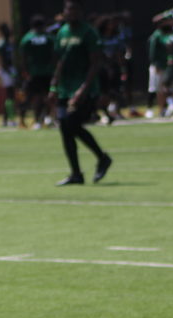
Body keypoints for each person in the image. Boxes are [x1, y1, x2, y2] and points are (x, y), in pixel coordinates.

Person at [50, 0, 111, 187]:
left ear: (81, 11)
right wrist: (53, 86)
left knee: (71, 124)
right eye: (68, 9)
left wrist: (83, 89)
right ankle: (76, 173)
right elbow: (60, 62)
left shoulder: (89, 32)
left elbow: (95, 63)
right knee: (65, 129)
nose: (71, 12)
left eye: (75, 9)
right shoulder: (62, 32)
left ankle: (102, 158)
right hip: (65, 89)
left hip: (85, 89)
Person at [18, 15, 55, 129]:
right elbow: (54, 55)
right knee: (48, 95)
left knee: (34, 97)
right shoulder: (49, 38)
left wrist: (24, 71)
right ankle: (47, 117)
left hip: (33, 73)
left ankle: (37, 120)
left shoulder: (27, 39)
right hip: (48, 72)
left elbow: (23, 58)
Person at [0, 22, 18, 127]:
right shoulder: (1, 44)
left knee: (12, 95)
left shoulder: (10, 42)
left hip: (11, 69)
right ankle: (7, 119)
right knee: (9, 94)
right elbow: (2, 61)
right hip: (6, 71)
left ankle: (8, 118)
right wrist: (10, 73)